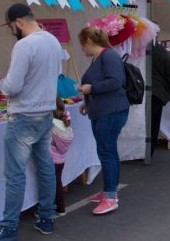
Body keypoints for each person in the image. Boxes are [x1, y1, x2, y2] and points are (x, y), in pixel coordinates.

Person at [0, 4, 61, 240]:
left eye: (10, 27)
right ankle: (47, 217)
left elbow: (14, 86)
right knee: (45, 166)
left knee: (15, 174)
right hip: (45, 113)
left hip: (24, 115)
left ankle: (8, 228)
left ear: (18, 22)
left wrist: (0, 86)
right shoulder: (53, 41)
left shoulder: (24, 45)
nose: (11, 31)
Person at [76, 27, 130, 215]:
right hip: (103, 110)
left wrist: (91, 89)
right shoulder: (100, 57)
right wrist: (87, 102)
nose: (81, 49)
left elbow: (115, 82)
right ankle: (109, 189)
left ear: (88, 41)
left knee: (107, 151)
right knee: (107, 151)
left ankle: (110, 197)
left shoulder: (108, 56)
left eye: (82, 44)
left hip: (111, 111)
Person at [149, 41, 170, 157]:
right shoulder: (160, 51)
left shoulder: (136, 50)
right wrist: (168, 93)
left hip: (142, 92)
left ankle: (141, 151)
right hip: (156, 93)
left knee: (146, 123)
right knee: (153, 124)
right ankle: (149, 151)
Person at [51, 99, 73, 217]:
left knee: (49, 185)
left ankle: (47, 208)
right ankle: (61, 207)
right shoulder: (65, 124)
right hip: (60, 160)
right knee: (57, 183)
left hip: (51, 160)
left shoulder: (52, 126)